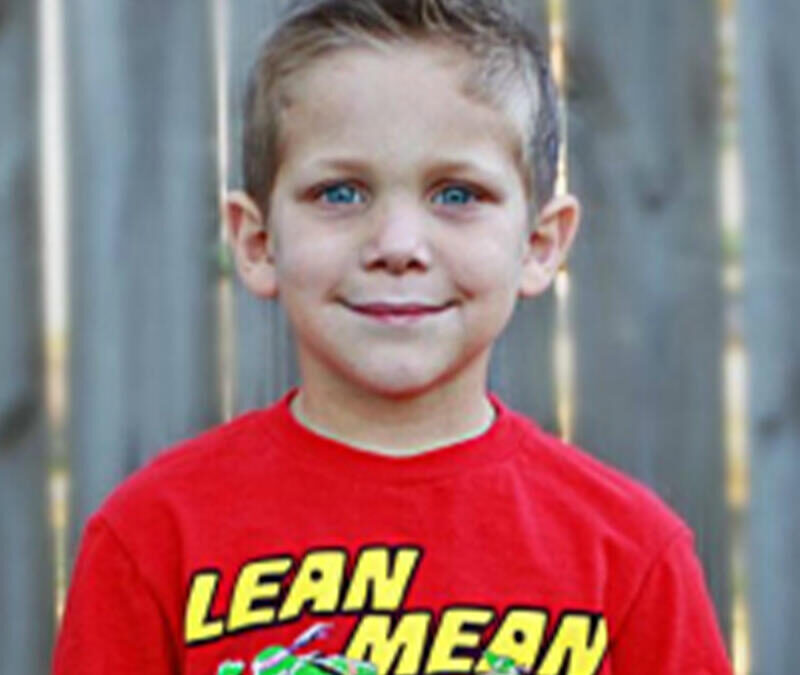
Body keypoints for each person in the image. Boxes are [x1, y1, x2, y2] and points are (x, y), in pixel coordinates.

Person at [51, 1, 733, 673]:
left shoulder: (630, 554)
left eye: (457, 194)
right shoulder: (152, 537)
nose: (398, 245)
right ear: (258, 243)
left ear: (539, 244)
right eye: (341, 193)